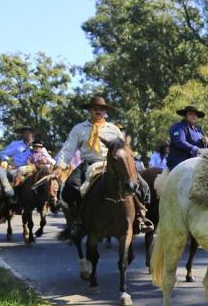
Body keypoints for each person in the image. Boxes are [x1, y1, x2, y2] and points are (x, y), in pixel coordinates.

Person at [53, 96, 154, 237]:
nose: (98, 111)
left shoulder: (113, 129)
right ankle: (78, 221)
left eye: (101, 109)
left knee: (142, 187)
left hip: (113, 164)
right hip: (88, 163)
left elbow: (125, 149)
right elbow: (68, 148)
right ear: (89, 110)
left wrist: (131, 166)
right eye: (95, 108)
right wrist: (60, 166)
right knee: (70, 188)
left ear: (105, 111)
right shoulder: (79, 129)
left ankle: (141, 217)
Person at [167, 106, 208, 170]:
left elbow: (203, 147)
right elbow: (180, 142)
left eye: (195, 114)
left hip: (197, 162)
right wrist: (196, 150)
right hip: (179, 162)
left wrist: (206, 142)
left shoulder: (199, 130)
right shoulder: (178, 127)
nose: (193, 116)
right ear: (185, 116)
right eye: (190, 114)